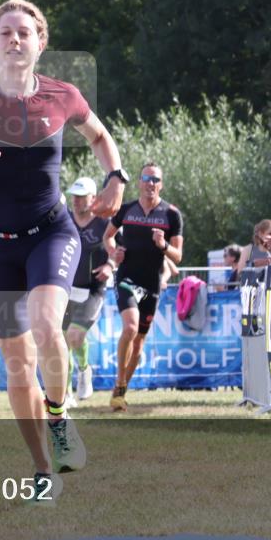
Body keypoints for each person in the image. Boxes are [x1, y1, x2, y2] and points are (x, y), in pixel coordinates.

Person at [0, 0, 125, 501]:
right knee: (18, 369)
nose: (15, 39)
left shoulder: (63, 96)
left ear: (40, 42)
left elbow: (101, 136)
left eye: (25, 32)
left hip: (51, 233)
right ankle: (42, 470)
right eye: (5, 33)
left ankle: (60, 421)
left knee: (46, 324)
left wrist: (116, 175)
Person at [103, 163, 183, 412]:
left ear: (161, 184)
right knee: (130, 326)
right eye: (146, 178)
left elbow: (178, 255)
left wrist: (162, 246)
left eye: (155, 179)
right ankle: (118, 382)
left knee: (139, 343)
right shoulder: (126, 210)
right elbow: (107, 236)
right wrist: (114, 252)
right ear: (138, 182)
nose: (150, 183)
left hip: (152, 284)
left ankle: (122, 390)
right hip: (126, 278)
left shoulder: (171, 214)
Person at [61, 176, 111, 406]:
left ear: (93, 199)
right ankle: (66, 395)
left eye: (81, 197)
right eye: (74, 197)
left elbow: (121, 249)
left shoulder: (104, 224)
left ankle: (84, 371)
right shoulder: (65, 221)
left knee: (74, 335)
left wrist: (111, 266)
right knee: (60, 343)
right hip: (65, 288)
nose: (76, 201)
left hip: (93, 289)